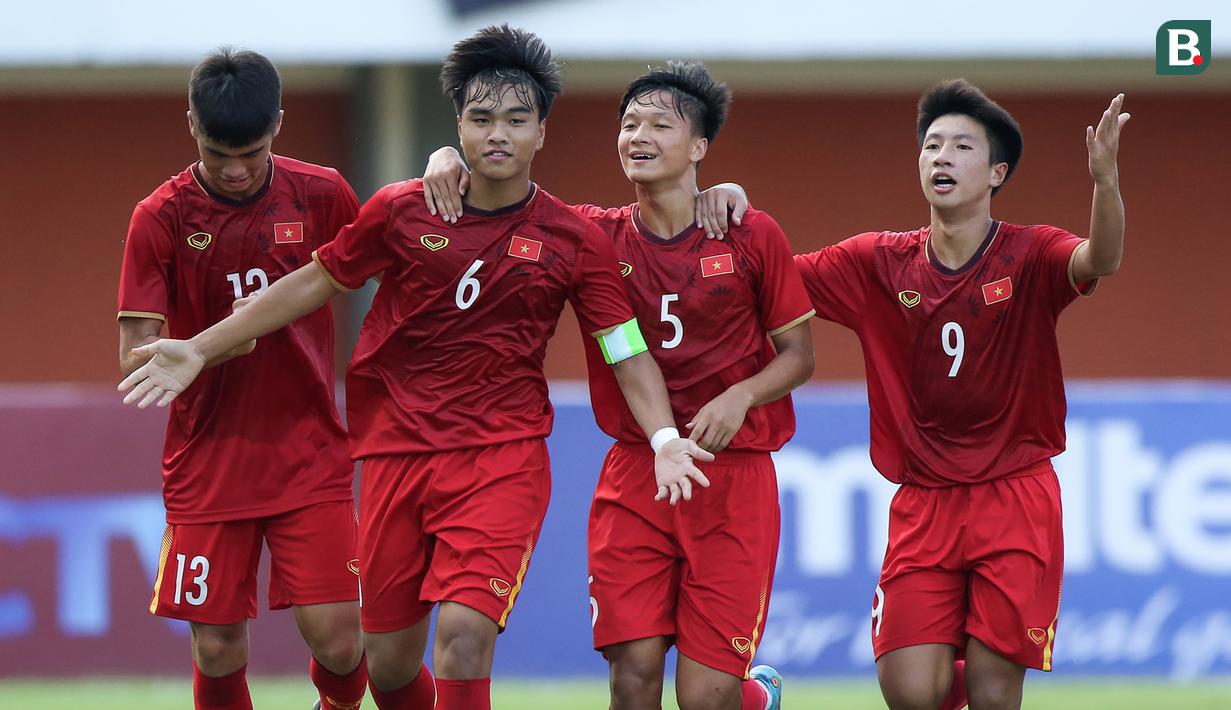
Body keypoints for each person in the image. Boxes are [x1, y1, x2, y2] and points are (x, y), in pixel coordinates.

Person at [118, 26, 711, 710]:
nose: (498, 134)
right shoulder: (401, 209)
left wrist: (665, 438)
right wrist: (200, 345)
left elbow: (622, 344)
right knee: (387, 668)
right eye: (481, 118)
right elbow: (315, 280)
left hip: (500, 457)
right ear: (456, 124)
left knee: (461, 635)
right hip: (396, 454)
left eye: (516, 120)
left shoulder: (571, 239)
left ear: (541, 132)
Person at [421, 61, 810, 710]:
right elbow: (502, 199)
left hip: (731, 477)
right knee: (631, 677)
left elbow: (797, 356)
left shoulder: (749, 233)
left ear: (698, 148)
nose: (638, 136)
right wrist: (441, 155)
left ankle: (748, 696)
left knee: (704, 698)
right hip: (636, 472)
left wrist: (742, 395)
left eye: (660, 125)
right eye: (628, 123)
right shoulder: (590, 235)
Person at [792, 81, 1129, 710]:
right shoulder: (875, 261)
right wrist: (730, 206)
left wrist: (1105, 183)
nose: (940, 157)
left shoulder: (1030, 254)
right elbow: (773, 275)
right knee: (911, 692)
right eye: (931, 145)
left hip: (1016, 497)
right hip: (924, 503)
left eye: (960, 146)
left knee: (993, 694)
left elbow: (1100, 259)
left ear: (997, 171)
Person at [116, 48, 367, 710]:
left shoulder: (323, 194)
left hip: (308, 448)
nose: (233, 169)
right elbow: (136, 355)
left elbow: (380, 279)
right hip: (206, 459)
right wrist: (225, 344)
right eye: (216, 149)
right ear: (190, 122)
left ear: (279, 125)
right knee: (218, 648)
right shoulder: (160, 216)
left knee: (342, 645)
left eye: (250, 152)